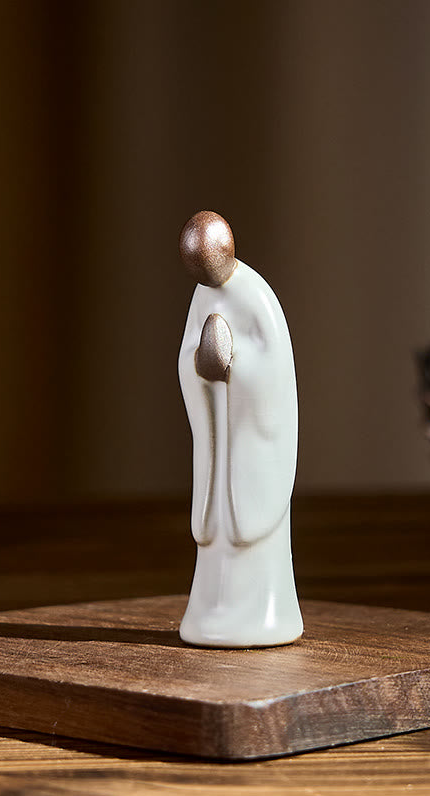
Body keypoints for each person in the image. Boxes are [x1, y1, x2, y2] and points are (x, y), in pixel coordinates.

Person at [177, 210, 303, 647]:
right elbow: (189, 353)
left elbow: (272, 371)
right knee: (217, 528)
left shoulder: (257, 297)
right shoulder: (202, 297)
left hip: (247, 437)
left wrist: (236, 364)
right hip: (220, 432)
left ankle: (264, 613)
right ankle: (211, 611)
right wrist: (201, 365)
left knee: (247, 519)